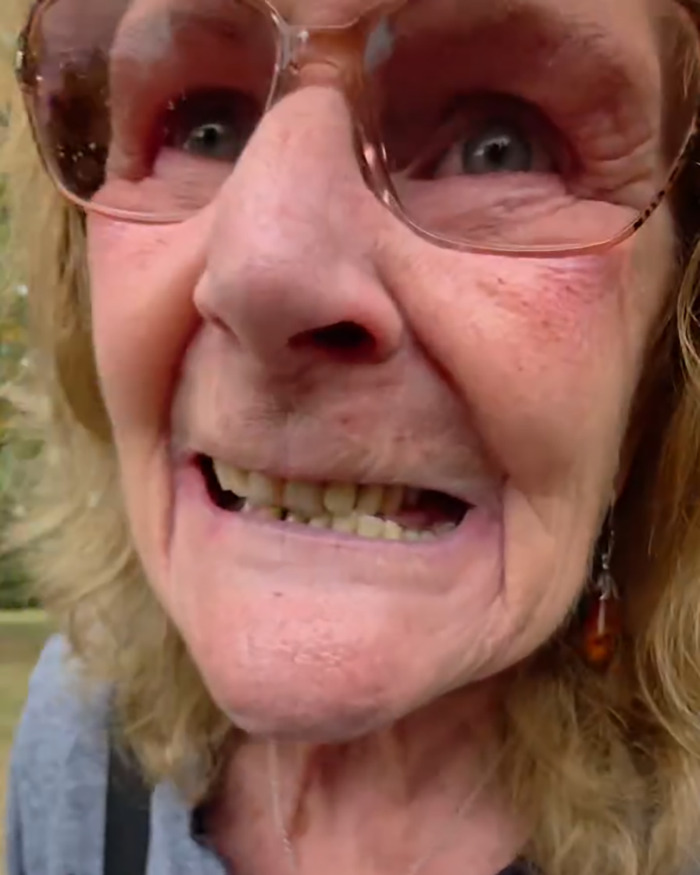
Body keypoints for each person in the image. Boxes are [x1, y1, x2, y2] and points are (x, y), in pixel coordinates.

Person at [4, 0, 700, 872]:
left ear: (669, 342)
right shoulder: (80, 735)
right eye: (206, 129)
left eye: (501, 146)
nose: (263, 270)